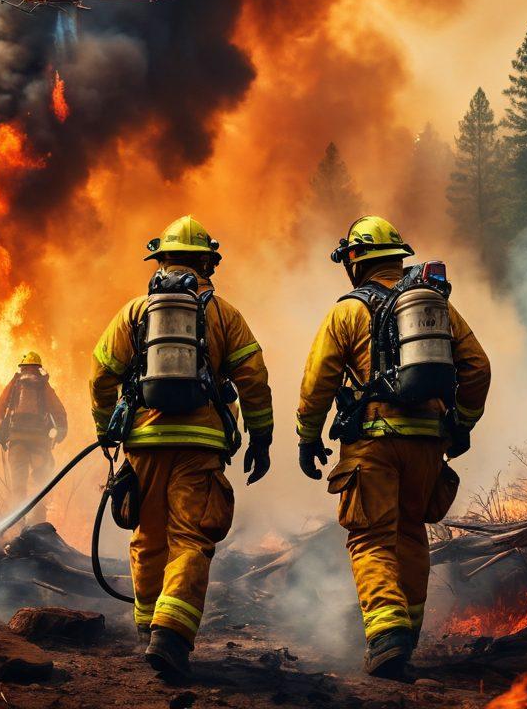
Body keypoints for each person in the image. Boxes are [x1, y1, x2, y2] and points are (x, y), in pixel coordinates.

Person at [296, 215, 490, 680]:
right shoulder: (433, 305)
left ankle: (387, 640)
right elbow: (477, 368)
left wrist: (307, 435)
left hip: (372, 444)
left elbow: (318, 380)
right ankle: (408, 638)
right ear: (398, 256)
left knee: (370, 538)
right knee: (410, 535)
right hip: (426, 445)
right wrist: (459, 424)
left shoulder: (347, 311)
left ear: (355, 259)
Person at [90, 215, 274, 677]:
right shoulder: (223, 314)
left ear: (161, 259)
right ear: (207, 262)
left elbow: (101, 374)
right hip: (201, 444)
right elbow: (253, 378)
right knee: (191, 538)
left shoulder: (134, 312)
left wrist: (105, 429)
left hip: (144, 443)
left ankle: (148, 627)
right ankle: (170, 634)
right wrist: (261, 436)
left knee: (148, 538)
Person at [0, 351, 68, 523]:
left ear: (22, 367)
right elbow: (59, 411)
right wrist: (59, 435)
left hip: (17, 441)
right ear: (38, 368)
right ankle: (38, 524)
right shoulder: (44, 386)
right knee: (39, 484)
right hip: (40, 443)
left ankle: (17, 524)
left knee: (18, 485)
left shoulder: (15, 384)